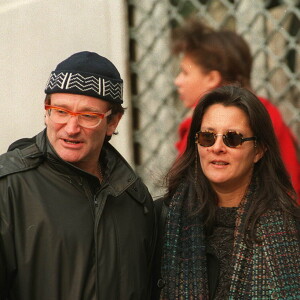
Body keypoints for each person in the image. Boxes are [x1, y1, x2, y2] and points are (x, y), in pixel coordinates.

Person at [0, 51, 156, 300]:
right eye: (61, 111)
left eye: (88, 116)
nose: (71, 129)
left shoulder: (135, 200)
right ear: (46, 112)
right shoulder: (8, 187)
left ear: (113, 122)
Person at [153, 85, 300, 299]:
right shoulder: (162, 222)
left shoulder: (290, 230)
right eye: (207, 137)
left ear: (258, 150)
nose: (217, 147)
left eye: (233, 139)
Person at [171, 17, 300, 198]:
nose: (177, 81)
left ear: (212, 78)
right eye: (208, 138)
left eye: (185, 72)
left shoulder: (202, 126)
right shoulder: (268, 112)